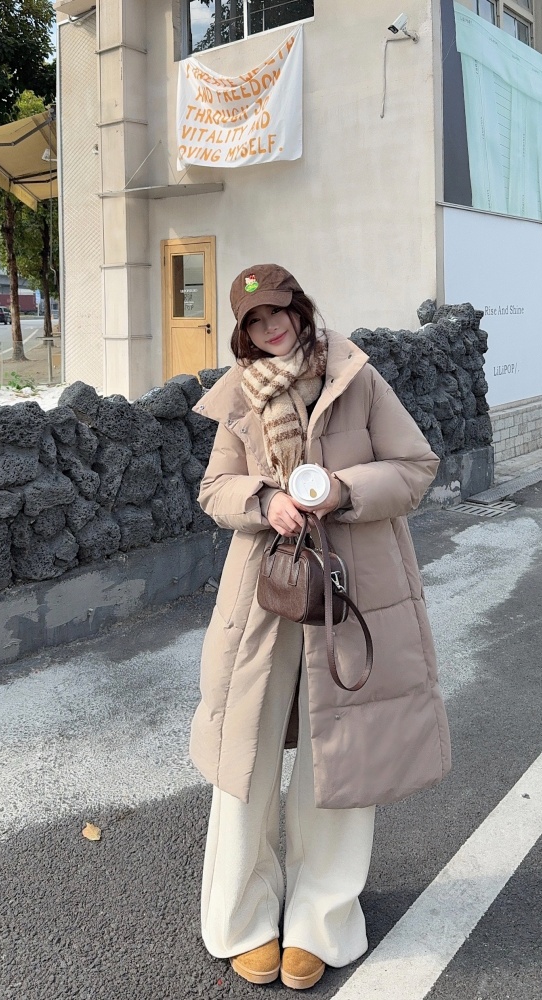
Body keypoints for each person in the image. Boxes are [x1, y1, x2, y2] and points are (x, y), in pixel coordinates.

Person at [190, 264, 451, 990]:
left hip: (354, 587)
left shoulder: (355, 377)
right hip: (266, 592)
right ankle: (240, 917)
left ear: (300, 309)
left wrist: (342, 490)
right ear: (242, 333)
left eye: (277, 311)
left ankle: (321, 919)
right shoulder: (241, 392)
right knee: (244, 751)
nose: (269, 326)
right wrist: (263, 498)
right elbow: (214, 488)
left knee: (343, 751)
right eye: (253, 320)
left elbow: (415, 465)